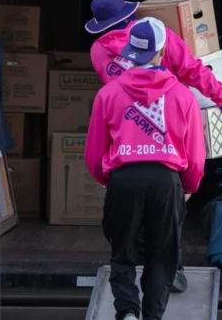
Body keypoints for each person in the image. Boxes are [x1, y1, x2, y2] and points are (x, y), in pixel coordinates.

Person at [84, 0, 222, 293]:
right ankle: (171, 270)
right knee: (167, 212)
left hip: (126, 141)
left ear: (102, 25)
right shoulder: (160, 38)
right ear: (130, 15)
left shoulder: (98, 52)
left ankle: (131, 293)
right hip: (165, 137)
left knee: (129, 219)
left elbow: (116, 95)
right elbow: (193, 71)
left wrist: (104, 173)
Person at [84, 18, 207, 320]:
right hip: (166, 182)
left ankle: (127, 311)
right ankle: (152, 315)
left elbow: (94, 152)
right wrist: (188, 187)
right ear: (163, 52)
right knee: (161, 255)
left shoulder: (109, 94)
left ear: (130, 52)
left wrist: (107, 179)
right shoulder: (183, 97)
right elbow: (195, 155)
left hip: (124, 179)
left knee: (122, 250)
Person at [85, 0, 222, 122]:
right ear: (127, 13)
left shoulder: (97, 51)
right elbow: (192, 69)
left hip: (128, 122)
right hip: (169, 118)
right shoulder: (158, 35)